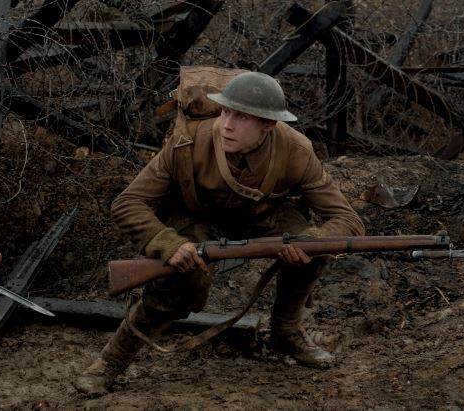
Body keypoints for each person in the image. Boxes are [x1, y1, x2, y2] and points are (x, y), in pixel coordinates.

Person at [74, 71, 365, 395]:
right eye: (225, 111)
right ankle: (111, 361)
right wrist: (169, 243)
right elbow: (129, 202)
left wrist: (310, 242)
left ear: (268, 125)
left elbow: (345, 218)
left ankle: (285, 332)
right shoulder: (187, 143)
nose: (226, 124)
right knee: (179, 281)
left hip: (264, 216)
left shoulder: (296, 150)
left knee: (314, 250)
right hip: (196, 215)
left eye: (241, 117)